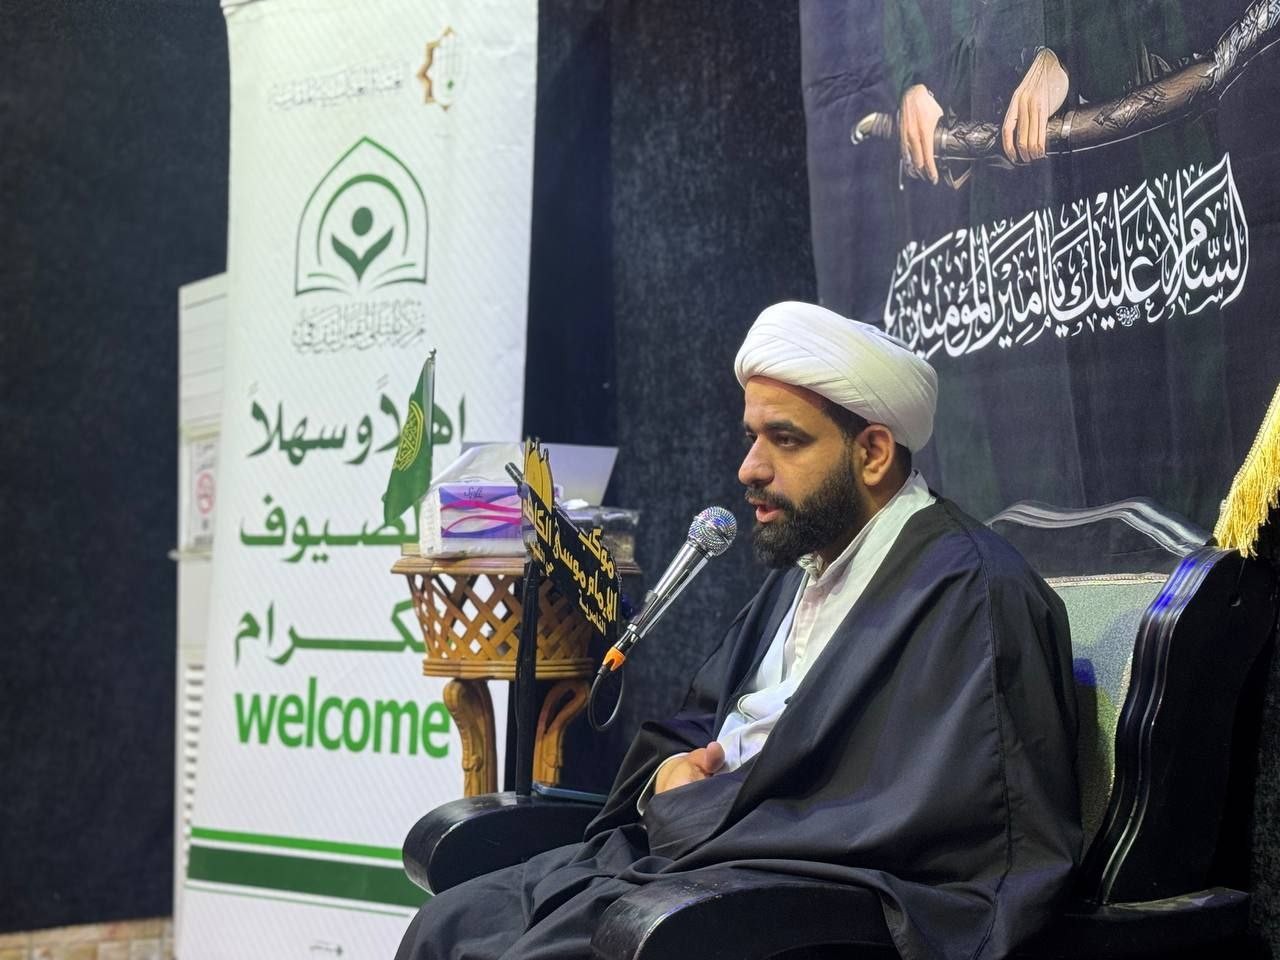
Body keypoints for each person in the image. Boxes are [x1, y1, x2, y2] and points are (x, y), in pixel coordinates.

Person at [395, 301, 1081, 960]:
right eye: (752, 437)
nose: (749, 468)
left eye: (785, 439)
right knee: (450, 923)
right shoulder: (804, 569)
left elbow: (941, 832)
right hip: (692, 858)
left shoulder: (969, 594)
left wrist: (697, 808)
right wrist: (666, 777)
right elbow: (705, 721)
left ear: (873, 453)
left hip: (780, 903)